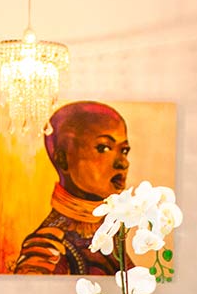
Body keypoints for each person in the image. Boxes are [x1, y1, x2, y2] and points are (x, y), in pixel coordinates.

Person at [11, 101, 130, 275]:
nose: (123, 163)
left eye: (125, 150)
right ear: (63, 159)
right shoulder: (47, 252)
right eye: (103, 148)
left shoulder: (111, 231)